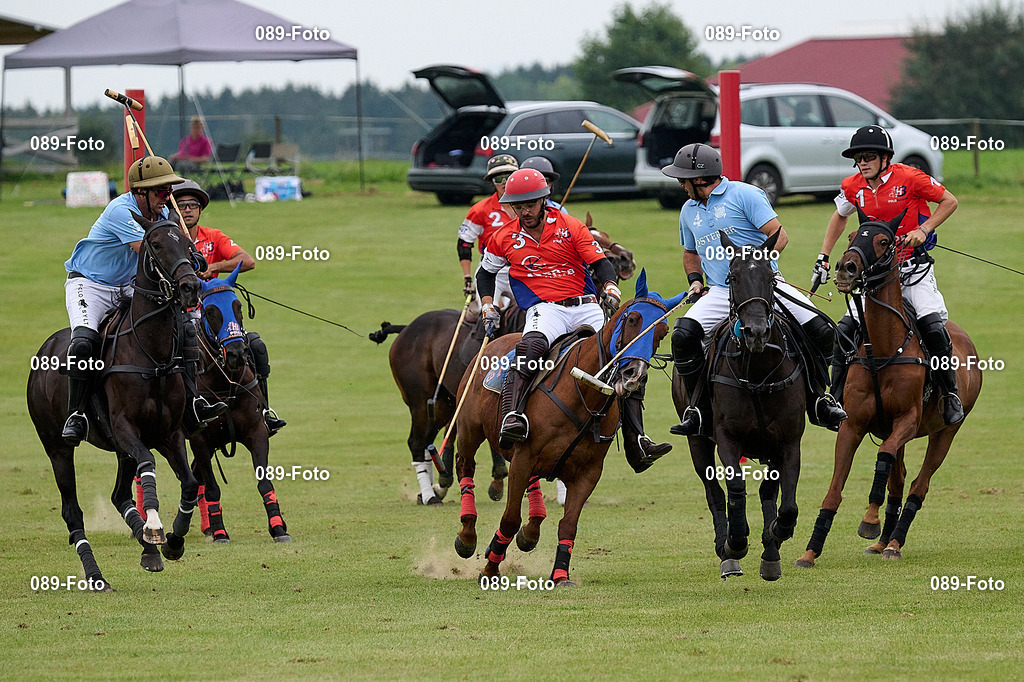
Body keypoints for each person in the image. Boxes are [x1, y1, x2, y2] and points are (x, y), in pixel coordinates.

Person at [477, 168, 671, 471]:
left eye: (529, 204)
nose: (524, 211)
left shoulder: (569, 226)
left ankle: (637, 439)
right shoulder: (503, 237)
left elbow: (600, 263)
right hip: (546, 309)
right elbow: (485, 274)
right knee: (530, 350)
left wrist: (609, 286)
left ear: (543, 200)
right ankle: (514, 417)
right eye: (517, 206)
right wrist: (488, 304)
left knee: (623, 357)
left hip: (585, 306)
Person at [663, 143, 847, 436]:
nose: (680, 184)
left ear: (699, 179)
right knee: (684, 335)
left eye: (682, 179)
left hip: (764, 289)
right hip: (722, 292)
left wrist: (757, 273)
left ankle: (819, 400)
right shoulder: (688, 210)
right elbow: (690, 253)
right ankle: (697, 409)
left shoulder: (745, 194)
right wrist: (695, 280)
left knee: (823, 330)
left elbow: (779, 236)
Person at [62, 156, 226, 445]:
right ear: (141, 192)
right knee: (85, 342)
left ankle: (193, 403)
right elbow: (150, 251)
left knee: (185, 326)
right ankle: (77, 414)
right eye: (161, 191)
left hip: (126, 284)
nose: (167, 197)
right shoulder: (120, 211)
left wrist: (193, 254)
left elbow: (175, 244)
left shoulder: (162, 214)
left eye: (167, 191)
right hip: (91, 285)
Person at [812, 125, 963, 425]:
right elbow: (840, 216)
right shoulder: (853, 185)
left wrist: (924, 229)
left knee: (933, 327)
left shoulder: (911, 178)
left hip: (912, 271)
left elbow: (950, 201)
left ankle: (950, 393)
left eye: (868, 156)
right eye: (858, 158)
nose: (862, 163)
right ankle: (836, 398)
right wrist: (823, 257)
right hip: (874, 280)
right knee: (843, 332)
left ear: (885, 158)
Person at [172, 180, 286, 436]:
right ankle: (183, 412)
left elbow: (247, 261)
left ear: (200, 210)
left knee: (254, 345)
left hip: (216, 314)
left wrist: (214, 268)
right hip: (179, 312)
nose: (188, 210)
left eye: (193, 205)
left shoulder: (213, 237)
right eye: (181, 206)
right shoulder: (170, 239)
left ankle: (264, 411)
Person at [458, 154, 518, 306]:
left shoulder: (530, 207)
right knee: (487, 313)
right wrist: (467, 278)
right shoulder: (480, 209)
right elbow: (464, 244)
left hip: (522, 270)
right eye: (498, 179)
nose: (504, 183)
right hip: (492, 271)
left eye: (509, 177)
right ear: (492, 182)